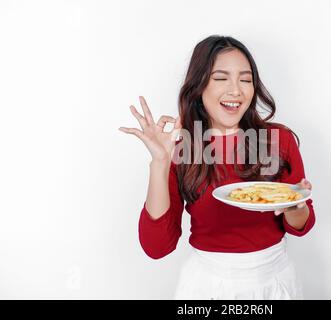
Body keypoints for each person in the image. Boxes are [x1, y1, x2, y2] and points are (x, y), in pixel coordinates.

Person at [119, 35, 316, 300]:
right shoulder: (181, 148)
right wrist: (160, 163)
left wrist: (296, 205)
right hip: (207, 285)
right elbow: (157, 247)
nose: (236, 90)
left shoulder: (279, 140)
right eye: (221, 78)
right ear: (199, 86)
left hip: (274, 280)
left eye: (245, 80)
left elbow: (300, 225)